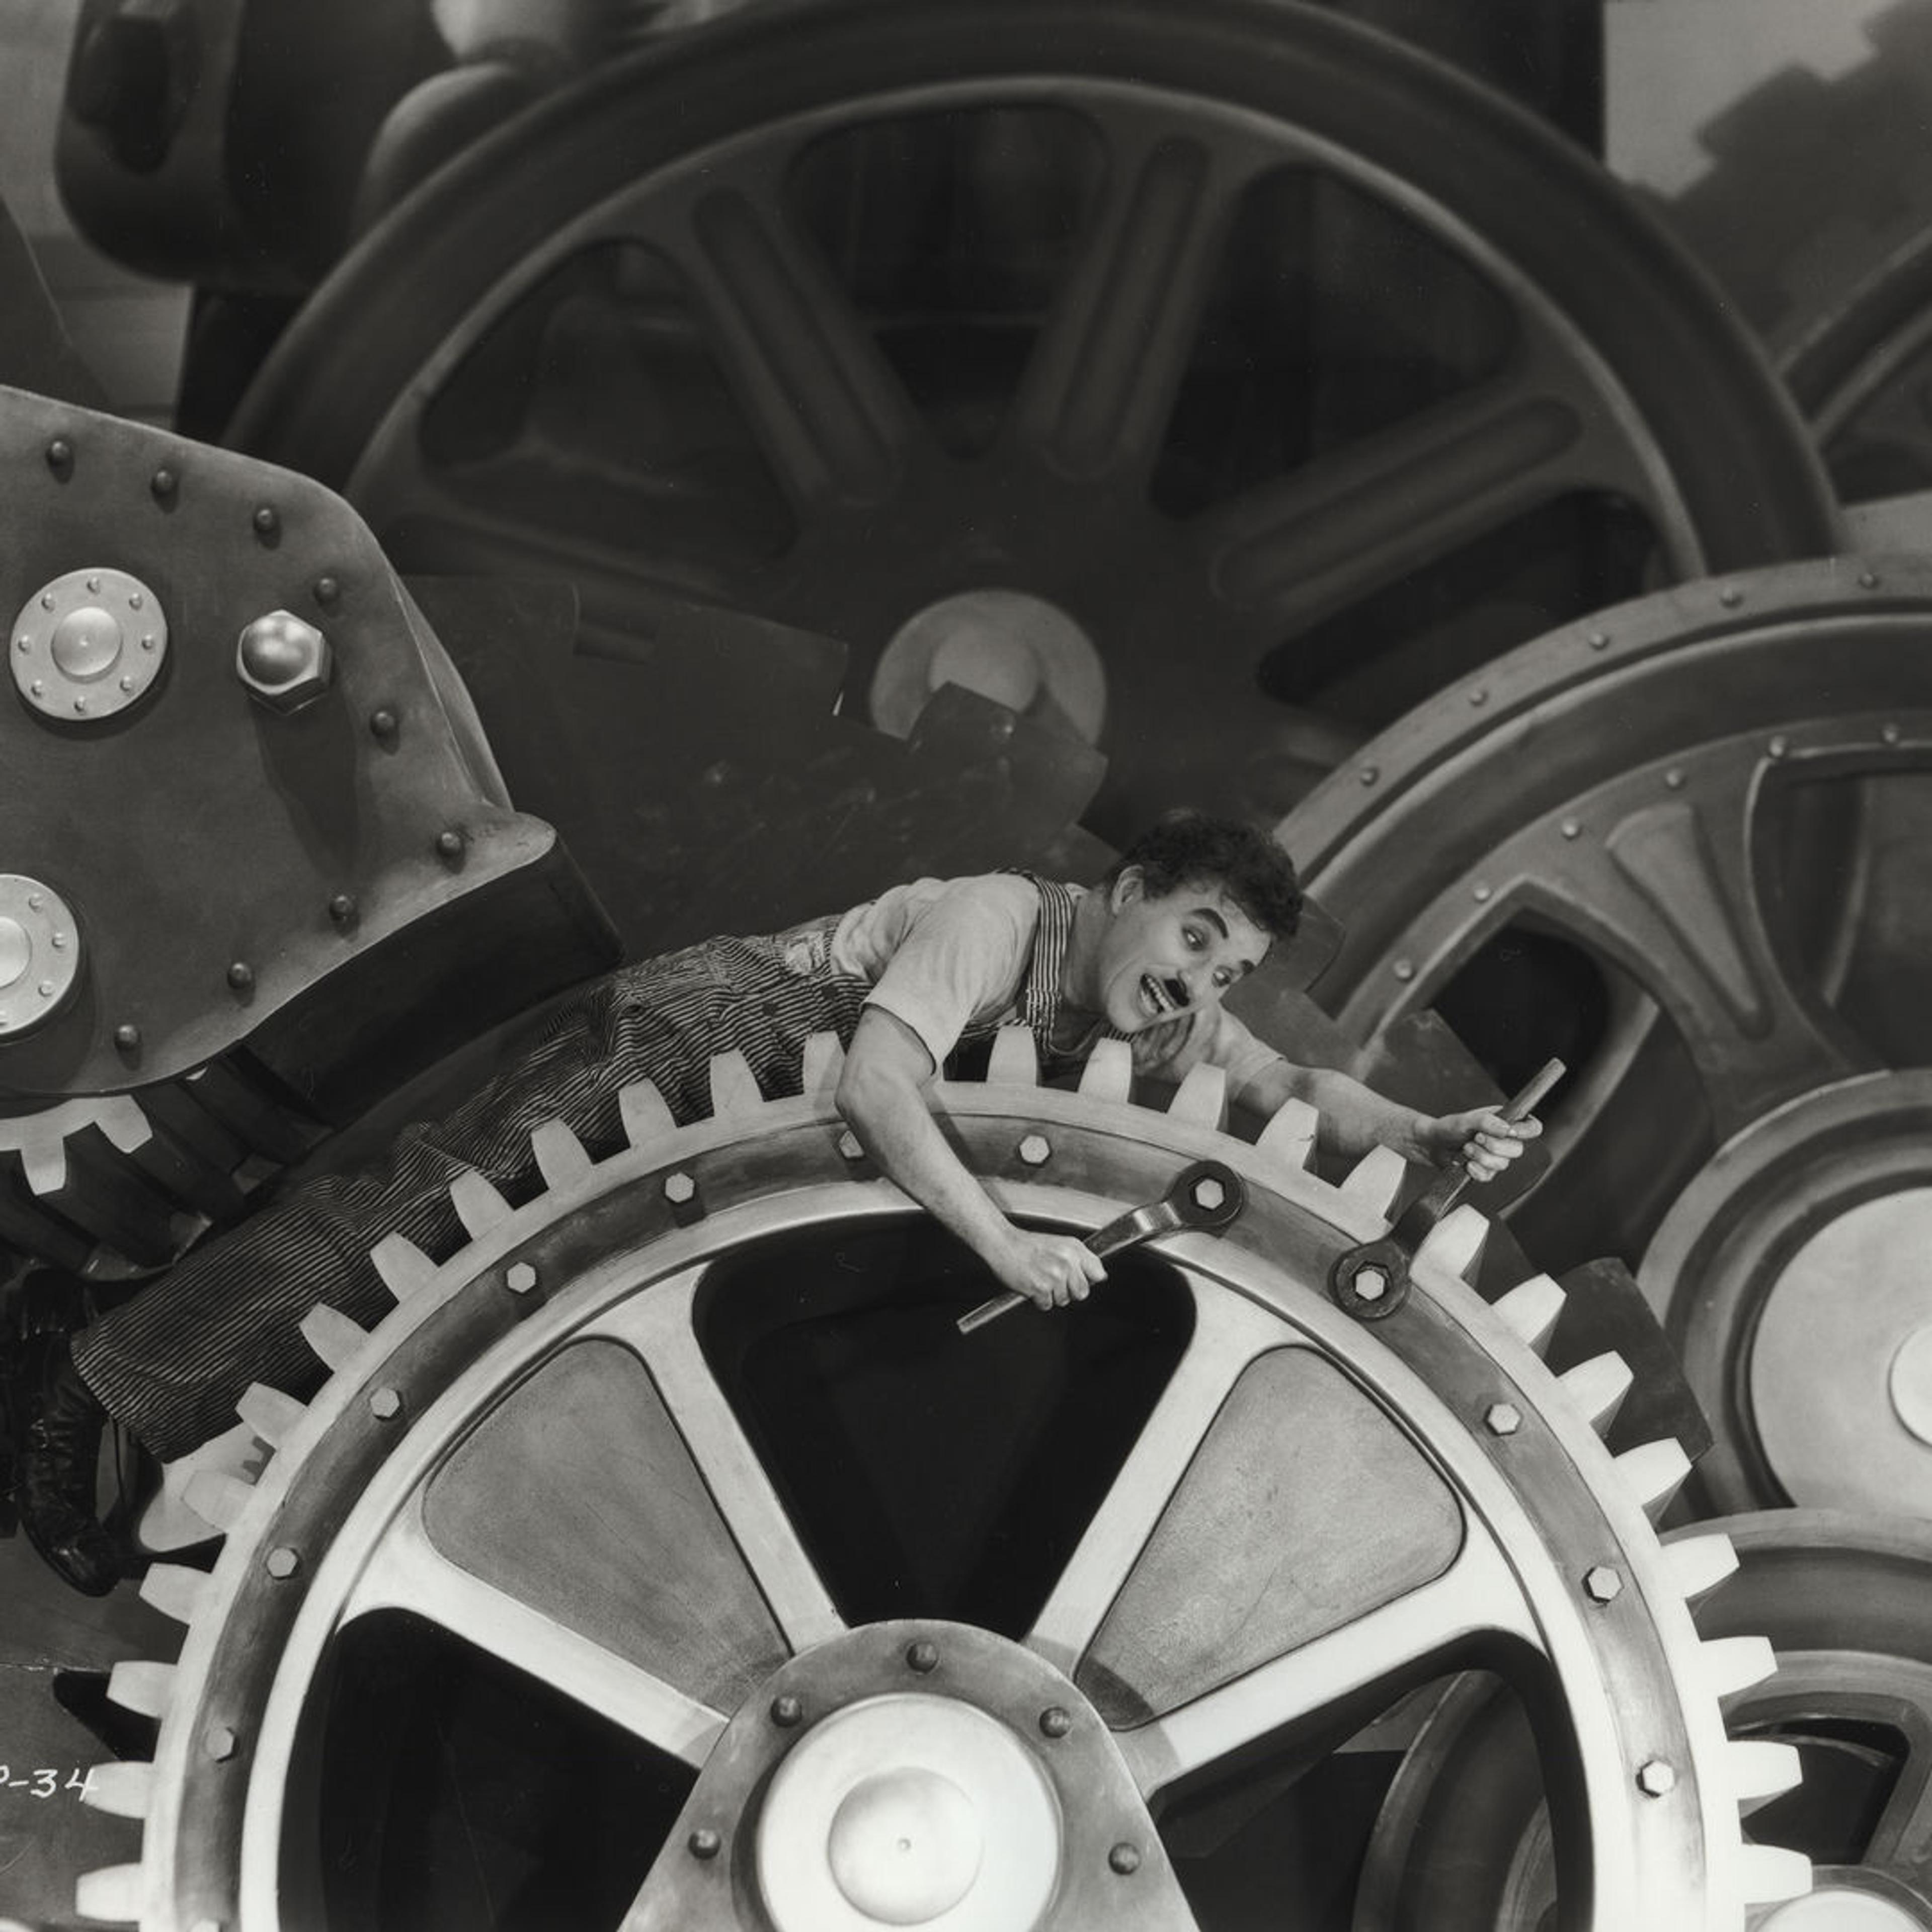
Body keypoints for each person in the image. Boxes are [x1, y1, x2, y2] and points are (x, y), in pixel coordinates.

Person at [13, 813, 1537, 1593]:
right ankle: (92, 1383)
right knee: (397, 1238)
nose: (1198, 984)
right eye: (1194, 936)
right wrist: (1009, 1242)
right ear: (1131, 887)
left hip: (726, 1125)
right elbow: (879, 1088)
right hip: (691, 1043)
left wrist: (1427, 1124)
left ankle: (149, 1449)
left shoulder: (1147, 1009)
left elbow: (1291, 1093)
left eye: (1225, 971)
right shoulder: (1002, 921)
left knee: (426, 1323)